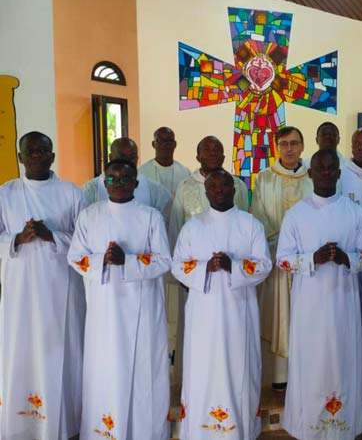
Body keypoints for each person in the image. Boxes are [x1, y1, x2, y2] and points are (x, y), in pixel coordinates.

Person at [68, 159, 171, 440]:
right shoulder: (90, 215)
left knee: (142, 370)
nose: (118, 184)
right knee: (106, 369)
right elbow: (75, 256)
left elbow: (164, 260)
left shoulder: (151, 216)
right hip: (104, 310)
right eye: (112, 180)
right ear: (104, 184)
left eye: (125, 179)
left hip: (143, 308)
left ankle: (143, 431)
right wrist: (104, 259)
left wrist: (129, 262)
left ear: (135, 183)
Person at [276, 149, 362, 440]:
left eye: (332, 168)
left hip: (344, 303)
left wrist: (347, 259)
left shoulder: (354, 211)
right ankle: (308, 425)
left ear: (339, 174)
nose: (327, 173)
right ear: (310, 173)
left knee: (344, 361)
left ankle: (346, 424)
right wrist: (311, 259)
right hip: (310, 306)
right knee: (312, 364)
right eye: (321, 168)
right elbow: (282, 259)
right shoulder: (297, 214)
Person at [171, 170, 271, 440]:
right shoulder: (192, 226)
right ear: (205, 191)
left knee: (239, 366)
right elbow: (178, 266)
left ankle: (241, 428)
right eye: (212, 186)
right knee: (203, 369)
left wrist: (233, 266)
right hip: (203, 313)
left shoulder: (250, 224)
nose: (218, 190)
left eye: (224, 185)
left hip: (239, 311)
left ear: (234, 189)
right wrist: (206, 267)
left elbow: (264, 265)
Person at [0, 131, 86, 440]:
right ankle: (22, 424)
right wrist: (17, 238)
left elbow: (86, 242)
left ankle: (64, 422)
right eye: (30, 151)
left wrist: (53, 236)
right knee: (21, 351)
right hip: (19, 292)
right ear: (20, 157)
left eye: (43, 150)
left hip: (61, 290)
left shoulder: (72, 193)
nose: (37, 155)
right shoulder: (5, 194)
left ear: (52, 156)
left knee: (61, 351)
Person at [251, 126, 312, 390]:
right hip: (277, 257)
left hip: (309, 260)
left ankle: (306, 369)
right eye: (284, 144)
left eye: (294, 143)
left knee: (307, 314)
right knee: (278, 316)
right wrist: (278, 244)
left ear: (302, 146)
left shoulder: (314, 176)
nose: (289, 149)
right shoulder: (264, 178)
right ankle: (280, 376)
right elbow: (258, 215)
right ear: (277, 147)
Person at [169, 135, 249, 245]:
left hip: (232, 249)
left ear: (223, 157)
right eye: (207, 150)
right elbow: (175, 227)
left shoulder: (238, 185)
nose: (212, 153)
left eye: (216, 150)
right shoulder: (185, 186)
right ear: (198, 157)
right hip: (195, 253)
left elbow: (245, 222)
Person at [82, 137, 172, 220]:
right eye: (122, 156)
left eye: (132, 157)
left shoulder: (156, 190)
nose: (127, 162)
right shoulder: (91, 189)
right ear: (110, 157)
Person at [139, 126, 191, 196]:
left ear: (174, 144)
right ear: (153, 144)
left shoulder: (185, 172)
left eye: (169, 141)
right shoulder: (142, 172)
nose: (164, 145)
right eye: (160, 141)